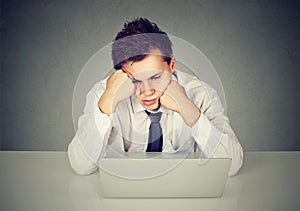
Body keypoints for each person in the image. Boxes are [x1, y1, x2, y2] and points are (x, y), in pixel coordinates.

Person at [68, 18, 243, 176]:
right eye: (135, 80)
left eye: (155, 77)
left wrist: (187, 107)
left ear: (172, 64)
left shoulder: (201, 93)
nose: (147, 91)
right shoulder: (104, 94)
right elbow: (81, 166)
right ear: (121, 74)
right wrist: (106, 104)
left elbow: (232, 166)